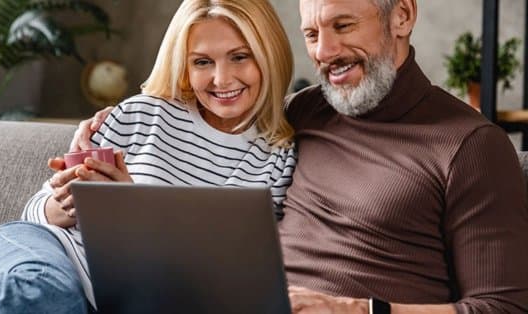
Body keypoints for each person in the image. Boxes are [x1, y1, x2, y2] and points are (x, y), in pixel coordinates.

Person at [75, 0, 528, 313]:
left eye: (343, 26)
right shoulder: (302, 112)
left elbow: (504, 306)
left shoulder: (470, 146)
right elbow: (210, 114)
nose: (325, 52)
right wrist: (110, 128)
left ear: (403, 16)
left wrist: (356, 310)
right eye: (312, 33)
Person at [0, 0, 297, 313]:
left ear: (269, 55)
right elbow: (34, 212)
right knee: (36, 294)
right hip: (46, 253)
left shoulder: (278, 159)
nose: (222, 79)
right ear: (185, 66)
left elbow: (243, 275)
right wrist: (69, 202)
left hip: (132, 297)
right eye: (202, 62)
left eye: (239, 57)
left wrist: (128, 209)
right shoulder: (142, 113)